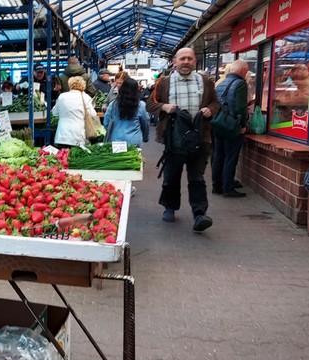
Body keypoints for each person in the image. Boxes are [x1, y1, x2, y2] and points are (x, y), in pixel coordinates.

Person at [146, 47, 220, 233]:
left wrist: (211, 110)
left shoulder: (206, 82)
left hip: (199, 137)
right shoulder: (164, 83)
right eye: (182, 59)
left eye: (189, 58)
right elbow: (150, 104)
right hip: (174, 138)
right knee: (171, 175)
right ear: (175, 62)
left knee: (197, 178)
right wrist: (164, 107)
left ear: (195, 61)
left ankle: (199, 214)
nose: (186, 62)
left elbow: (216, 102)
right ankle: (169, 207)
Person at [211, 60, 249, 198]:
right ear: (243, 70)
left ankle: (217, 185)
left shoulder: (220, 83)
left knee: (218, 155)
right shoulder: (240, 84)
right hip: (231, 126)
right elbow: (240, 107)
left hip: (219, 123)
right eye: (246, 71)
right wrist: (243, 125)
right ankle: (228, 187)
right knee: (230, 157)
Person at [103, 77, 150, 147]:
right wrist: (145, 137)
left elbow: (106, 123)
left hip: (116, 140)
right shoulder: (140, 105)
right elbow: (145, 123)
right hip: (134, 141)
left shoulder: (113, 105)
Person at [53, 75, 97, 148]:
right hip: (78, 136)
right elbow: (93, 115)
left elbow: (54, 113)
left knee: (63, 157)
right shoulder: (86, 98)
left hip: (62, 136)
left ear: (70, 85)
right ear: (83, 86)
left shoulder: (62, 96)